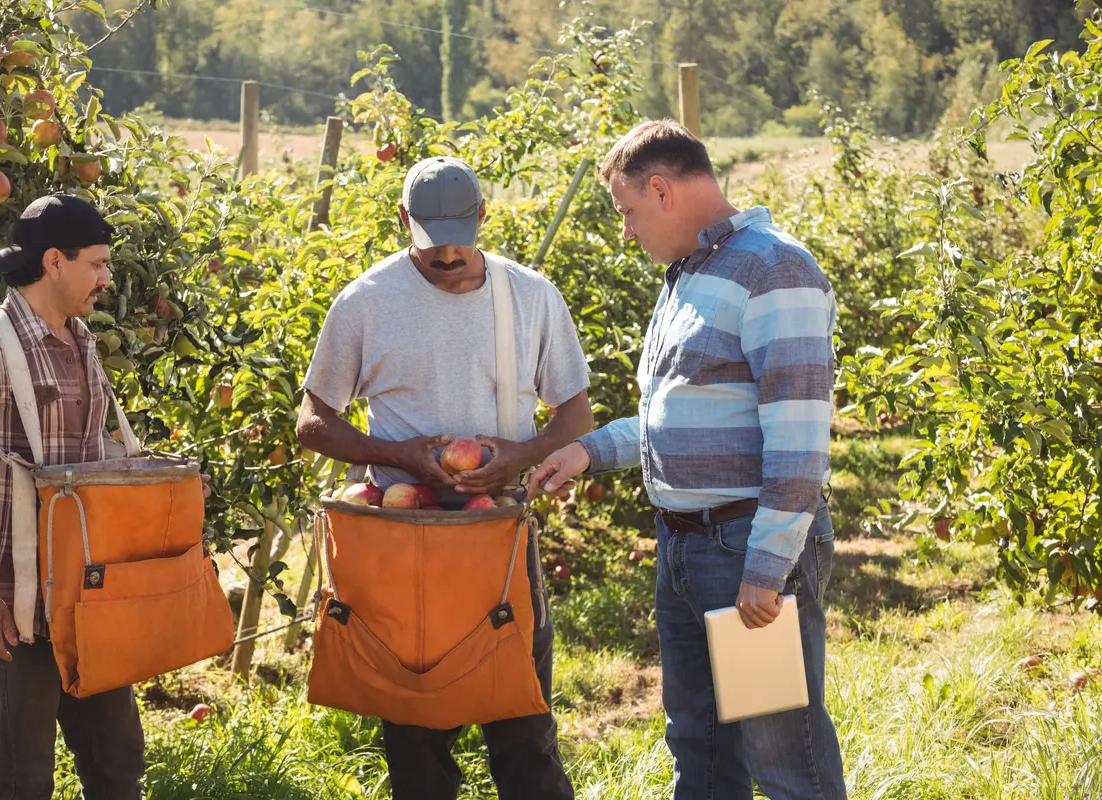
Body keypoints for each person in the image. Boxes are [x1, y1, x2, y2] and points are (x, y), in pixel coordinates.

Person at [531, 120, 847, 800]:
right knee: (699, 747)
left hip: (744, 550)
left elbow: (798, 436)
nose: (625, 230)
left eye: (626, 211)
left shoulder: (772, 268)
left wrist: (766, 569)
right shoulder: (689, 275)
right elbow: (676, 416)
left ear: (661, 189)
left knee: (782, 756)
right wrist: (589, 450)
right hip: (685, 547)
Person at [296, 156, 590, 800]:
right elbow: (313, 422)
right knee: (415, 732)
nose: (449, 254)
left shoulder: (530, 296)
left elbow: (575, 413)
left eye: (462, 235)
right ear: (403, 221)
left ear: (484, 217)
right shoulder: (367, 302)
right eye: (432, 239)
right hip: (405, 536)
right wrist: (402, 456)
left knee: (523, 720)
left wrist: (522, 453)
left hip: (496, 533)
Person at [0, 193, 200, 799]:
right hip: (17, 609)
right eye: (96, 263)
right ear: (53, 262)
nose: (107, 277)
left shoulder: (80, 341)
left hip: (90, 599)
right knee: (23, 777)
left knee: (117, 760)